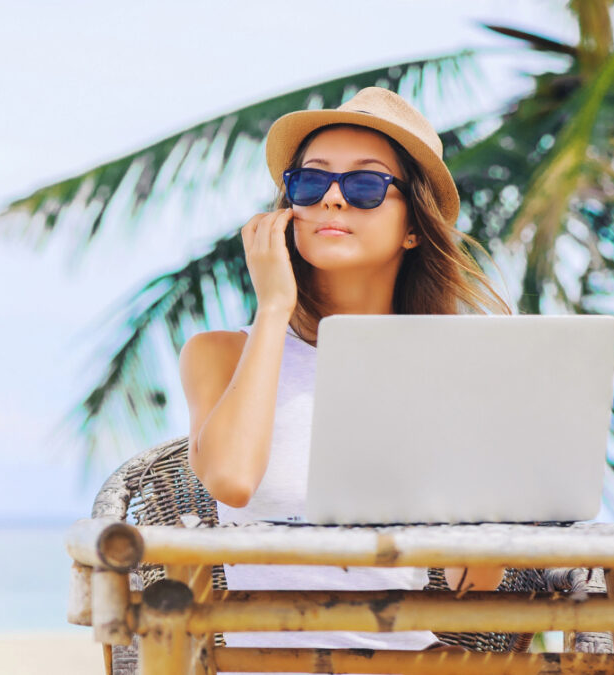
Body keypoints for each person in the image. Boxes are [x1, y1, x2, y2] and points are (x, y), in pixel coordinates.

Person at [178, 87, 512, 659]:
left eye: (365, 185)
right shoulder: (219, 353)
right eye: (311, 181)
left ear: (413, 225)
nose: (333, 199)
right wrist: (273, 309)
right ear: (288, 208)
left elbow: (475, 578)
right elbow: (231, 480)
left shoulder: (448, 370)